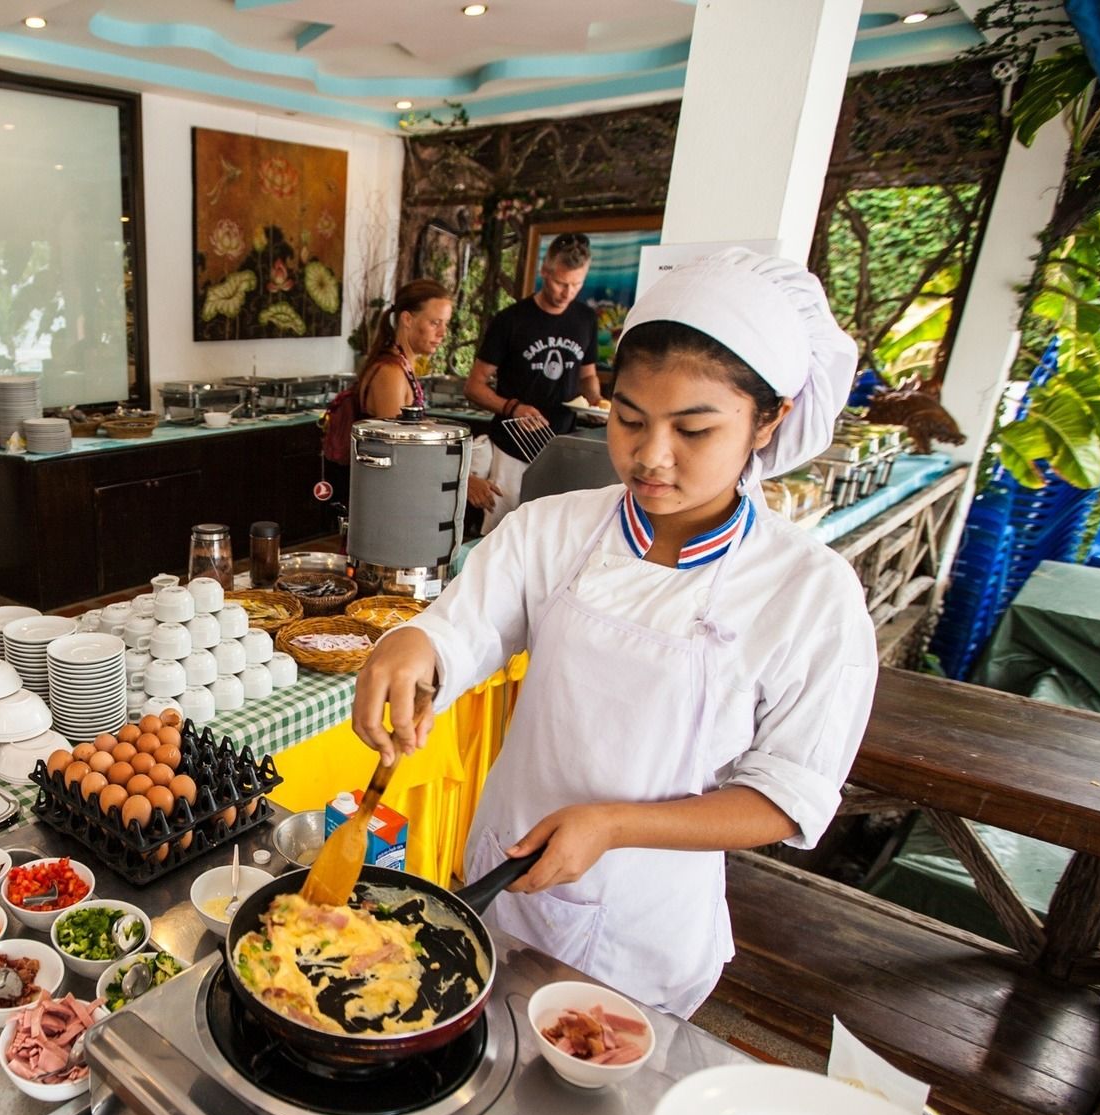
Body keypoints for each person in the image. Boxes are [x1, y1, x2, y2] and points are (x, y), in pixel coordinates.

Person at [353, 248, 874, 1018]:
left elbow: (787, 795)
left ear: (769, 420)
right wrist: (412, 646)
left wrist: (615, 825)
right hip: (505, 888)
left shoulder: (809, 593)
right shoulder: (555, 528)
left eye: (693, 430)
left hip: (646, 926)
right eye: (629, 419)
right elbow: (465, 627)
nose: (650, 456)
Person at [466, 232, 603, 529]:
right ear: (545, 271)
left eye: (576, 284)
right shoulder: (511, 320)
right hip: (512, 448)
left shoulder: (586, 319)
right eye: (560, 283)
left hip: (562, 448)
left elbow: (588, 375)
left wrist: (596, 403)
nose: (568, 292)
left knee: (551, 533)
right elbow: (474, 386)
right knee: (501, 533)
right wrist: (513, 407)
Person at [351, 279, 501, 514]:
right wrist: (463, 478)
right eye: (434, 323)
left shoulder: (403, 368)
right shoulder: (390, 374)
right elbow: (401, 452)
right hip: (385, 505)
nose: (442, 333)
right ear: (407, 319)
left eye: (445, 324)